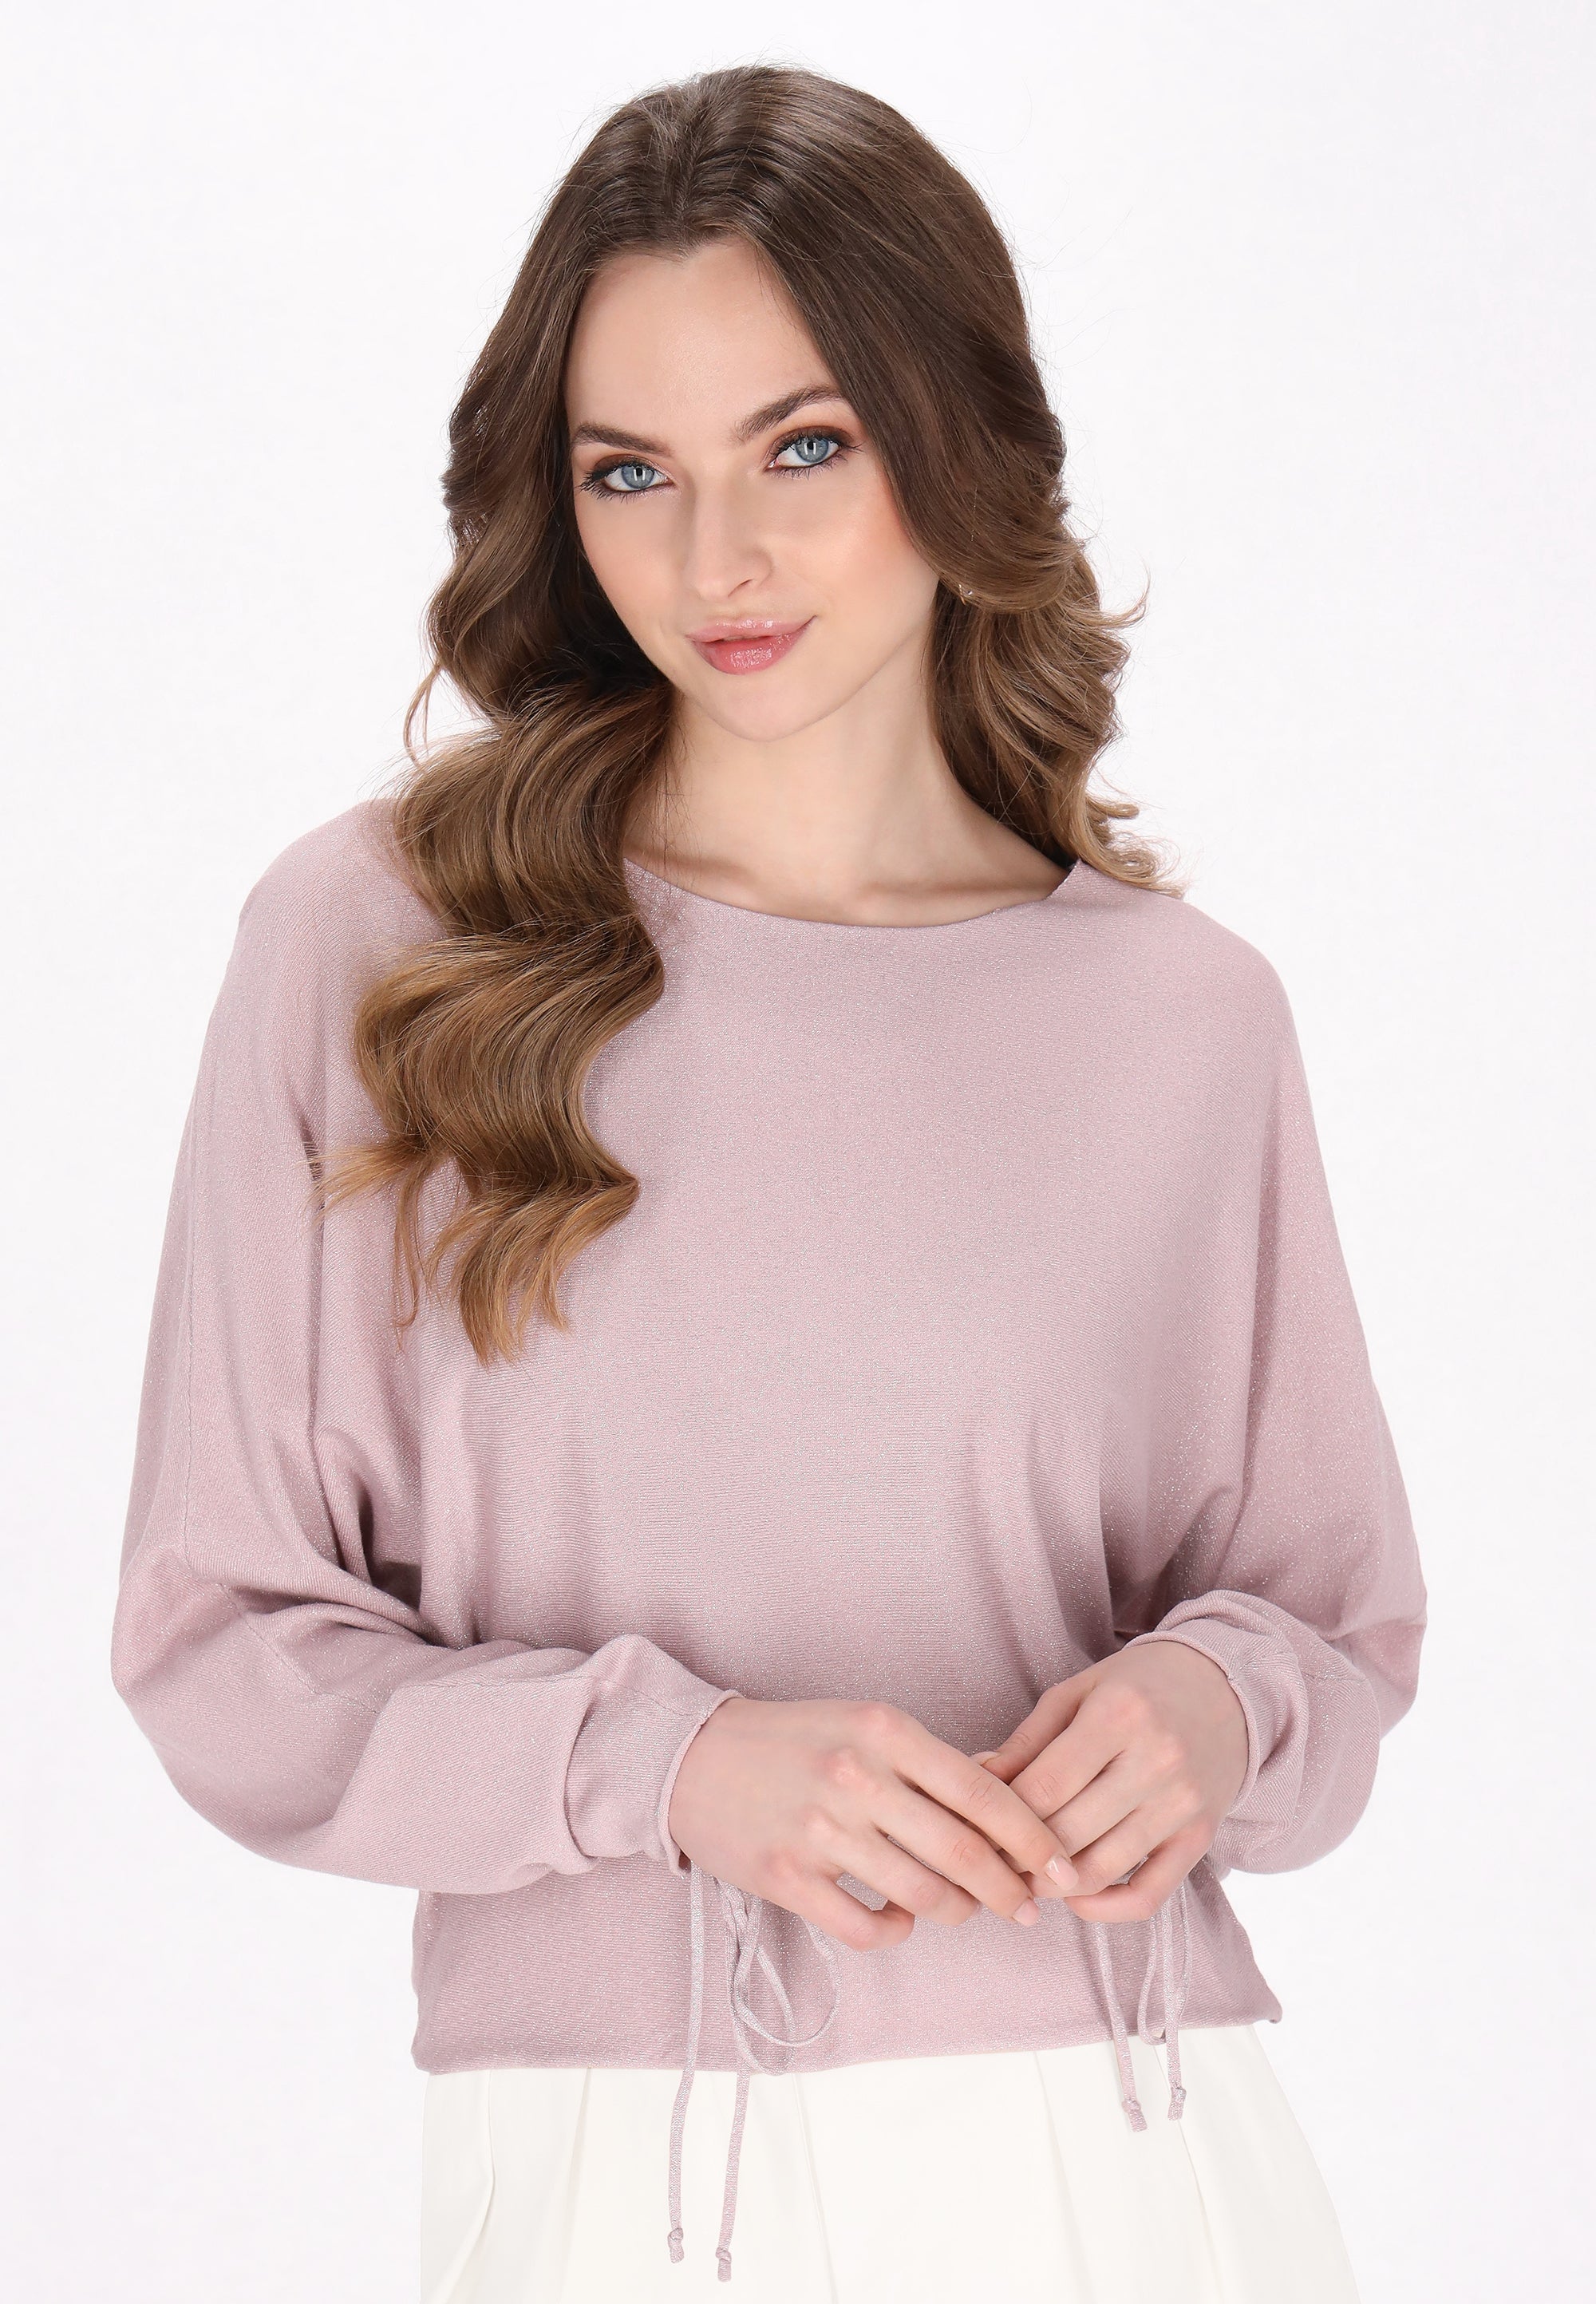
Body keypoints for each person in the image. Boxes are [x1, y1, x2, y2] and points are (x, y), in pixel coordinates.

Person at [110, 61, 1427, 2304]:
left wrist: (1213, 1716)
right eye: (631, 471)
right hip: (625, 2178)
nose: (714, 560)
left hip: (1134, 2148)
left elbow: (1336, 1626)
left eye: (803, 447)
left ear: (955, 438)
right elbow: (219, 1645)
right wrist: (669, 1768)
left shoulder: (1183, 1018)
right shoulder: (384, 950)